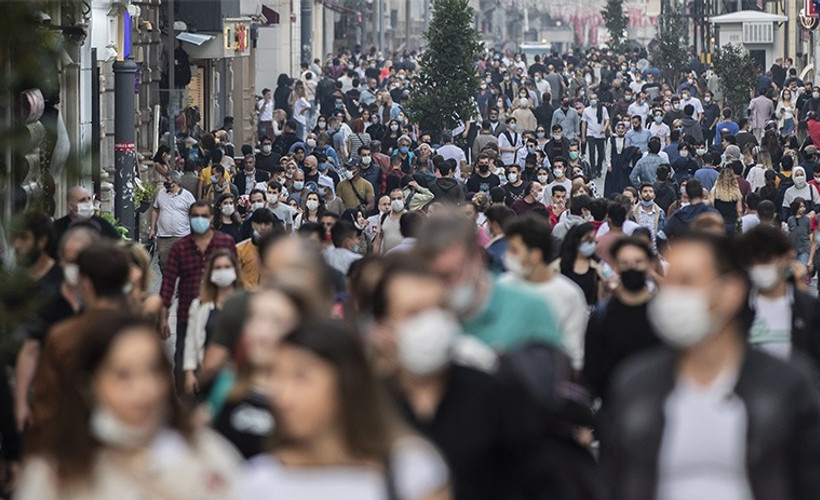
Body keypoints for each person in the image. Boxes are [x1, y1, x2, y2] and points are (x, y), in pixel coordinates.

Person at [604, 231, 820, 500]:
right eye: (669, 283)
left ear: (730, 292)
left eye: (687, 282)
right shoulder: (635, 386)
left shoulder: (786, 387)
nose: (672, 295)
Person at [17, 314, 241, 499]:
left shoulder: (203, 449)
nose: (144, 389)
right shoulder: (56, 471)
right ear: (90, 383)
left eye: (154, 370)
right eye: (123, 376)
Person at [237, 320, 450, 500]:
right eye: (276, 377)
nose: (284, 396)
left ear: (347, 381)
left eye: (301, 376)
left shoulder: (409, 469)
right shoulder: (258, 482)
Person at [416, 209, 561, 350]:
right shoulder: (417, 314)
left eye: (449, 275)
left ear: (477, 258)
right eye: (433, 277)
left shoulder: (530, 309)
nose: (444, 286)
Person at [14, 226, 97, 432]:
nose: (75, 267)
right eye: (69, 260)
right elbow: (30, 348)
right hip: (52, 396)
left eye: (80, 259)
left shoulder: (105, 297)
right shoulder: (45, 296)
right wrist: (21, 401)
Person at [160, 201, 237, 389]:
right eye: (195, 216)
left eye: (204, 216)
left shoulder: (225, 242)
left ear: (211, 218)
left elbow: (236, 277)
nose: (199, 220)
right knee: (183, 361)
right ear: (189, 218)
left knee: (221, 364)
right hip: (188, 314)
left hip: (220, 314)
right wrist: (163, 316)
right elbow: (169, 282)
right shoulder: (180, 247)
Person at [503, 214, 589, 369]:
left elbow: (574, 354)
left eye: (514, 250)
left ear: (535, 255)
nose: (508, 255)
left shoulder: (568, 295)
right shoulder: (504, 286)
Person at [583, 237, 660, 402]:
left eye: (638, 262)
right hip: (614, 407)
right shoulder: (601, 317)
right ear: (616, 267)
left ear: (650, 265)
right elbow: (591, 371)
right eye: (624, 263)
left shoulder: (664, 314)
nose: (632, 268)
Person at [183, 250, 244, 394]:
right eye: (218, 268)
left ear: (235, 270)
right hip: (207, 375)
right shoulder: (199, 305)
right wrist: (189, 373)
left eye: (227, 267)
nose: (223, 271)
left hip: (239, 378)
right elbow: (191, 341)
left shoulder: (246, 303)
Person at [51, 186, 119, 256]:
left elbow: (118, 246)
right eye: (82, 200)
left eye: (89, 199)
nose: (87, 203)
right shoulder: (57, 228)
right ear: (70, 206)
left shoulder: (103, 225)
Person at [150, 171, 196, 271]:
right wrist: (153, 229)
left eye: (168, 180)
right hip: (163, 236)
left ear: (175, 182)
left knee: (182, 262)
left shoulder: (187, 196)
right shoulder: (161, 193)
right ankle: (167, 280)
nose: (165, 182)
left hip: (182, 235)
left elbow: (194, 213)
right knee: (163, 262)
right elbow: (155, 210)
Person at [559, 223, 603, 307]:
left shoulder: (597, 266)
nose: (592, 244)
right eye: (588, 240)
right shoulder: (559, 265)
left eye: (594, 240)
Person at [236, 208, 280, 288]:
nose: (262, 227)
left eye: (266, 224)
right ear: (253, 224)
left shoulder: (278, 250)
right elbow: (236, 275)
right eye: (259, 223)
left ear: (271, 225)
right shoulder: (240, 249)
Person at [581, 93, 609, 177]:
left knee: (601, 153)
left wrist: (604, 128)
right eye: (591, 98)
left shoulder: (603, 109)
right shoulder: (586, 110)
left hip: (600, 134)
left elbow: (607, 120)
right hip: (591, 133)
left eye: (594, 98)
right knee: (592, 153)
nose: (593, 100)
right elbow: (584, 123)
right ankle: (593, 170)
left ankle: (599, 168)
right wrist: (583, 136)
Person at [709, 167, 743, 234]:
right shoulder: (736, 191)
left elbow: (711, 205)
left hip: (718, 222)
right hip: (732, 222)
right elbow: (739, 210)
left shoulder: (715, 190)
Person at [375, 188, 406, 254]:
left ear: (404, 199)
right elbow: (377, 241)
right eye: (393, 199)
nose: (396, 201)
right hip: (385, 260)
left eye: (399, 198)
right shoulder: (383, 217)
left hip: (404, 259)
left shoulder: (409, 217)